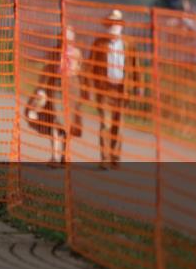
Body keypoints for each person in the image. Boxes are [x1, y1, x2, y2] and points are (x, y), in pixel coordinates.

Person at [83, 9, 142, 169]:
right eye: (110, 24)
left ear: (121, 26)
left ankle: (115, 157)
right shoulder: (99, 43)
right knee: (106, 124)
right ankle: (105, 158)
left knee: (118, 125)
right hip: (104, 90)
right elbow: (90, 66)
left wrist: (139, 85)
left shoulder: (129, 43)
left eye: (116, 23)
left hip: (122, 90)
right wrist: (87, 87)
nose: (113, 26)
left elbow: (136, 66)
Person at [26, 25, 83, 165]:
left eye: (68, 37)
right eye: (63, 36)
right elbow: (47, 69)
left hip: (72, 87)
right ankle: (55, 156)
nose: (65, 40)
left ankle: (64, 155)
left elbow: (80, 70)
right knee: (56, 120)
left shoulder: (77, 53)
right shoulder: (54, 52)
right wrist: (41, 88)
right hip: (56, 85)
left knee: (68, 123)